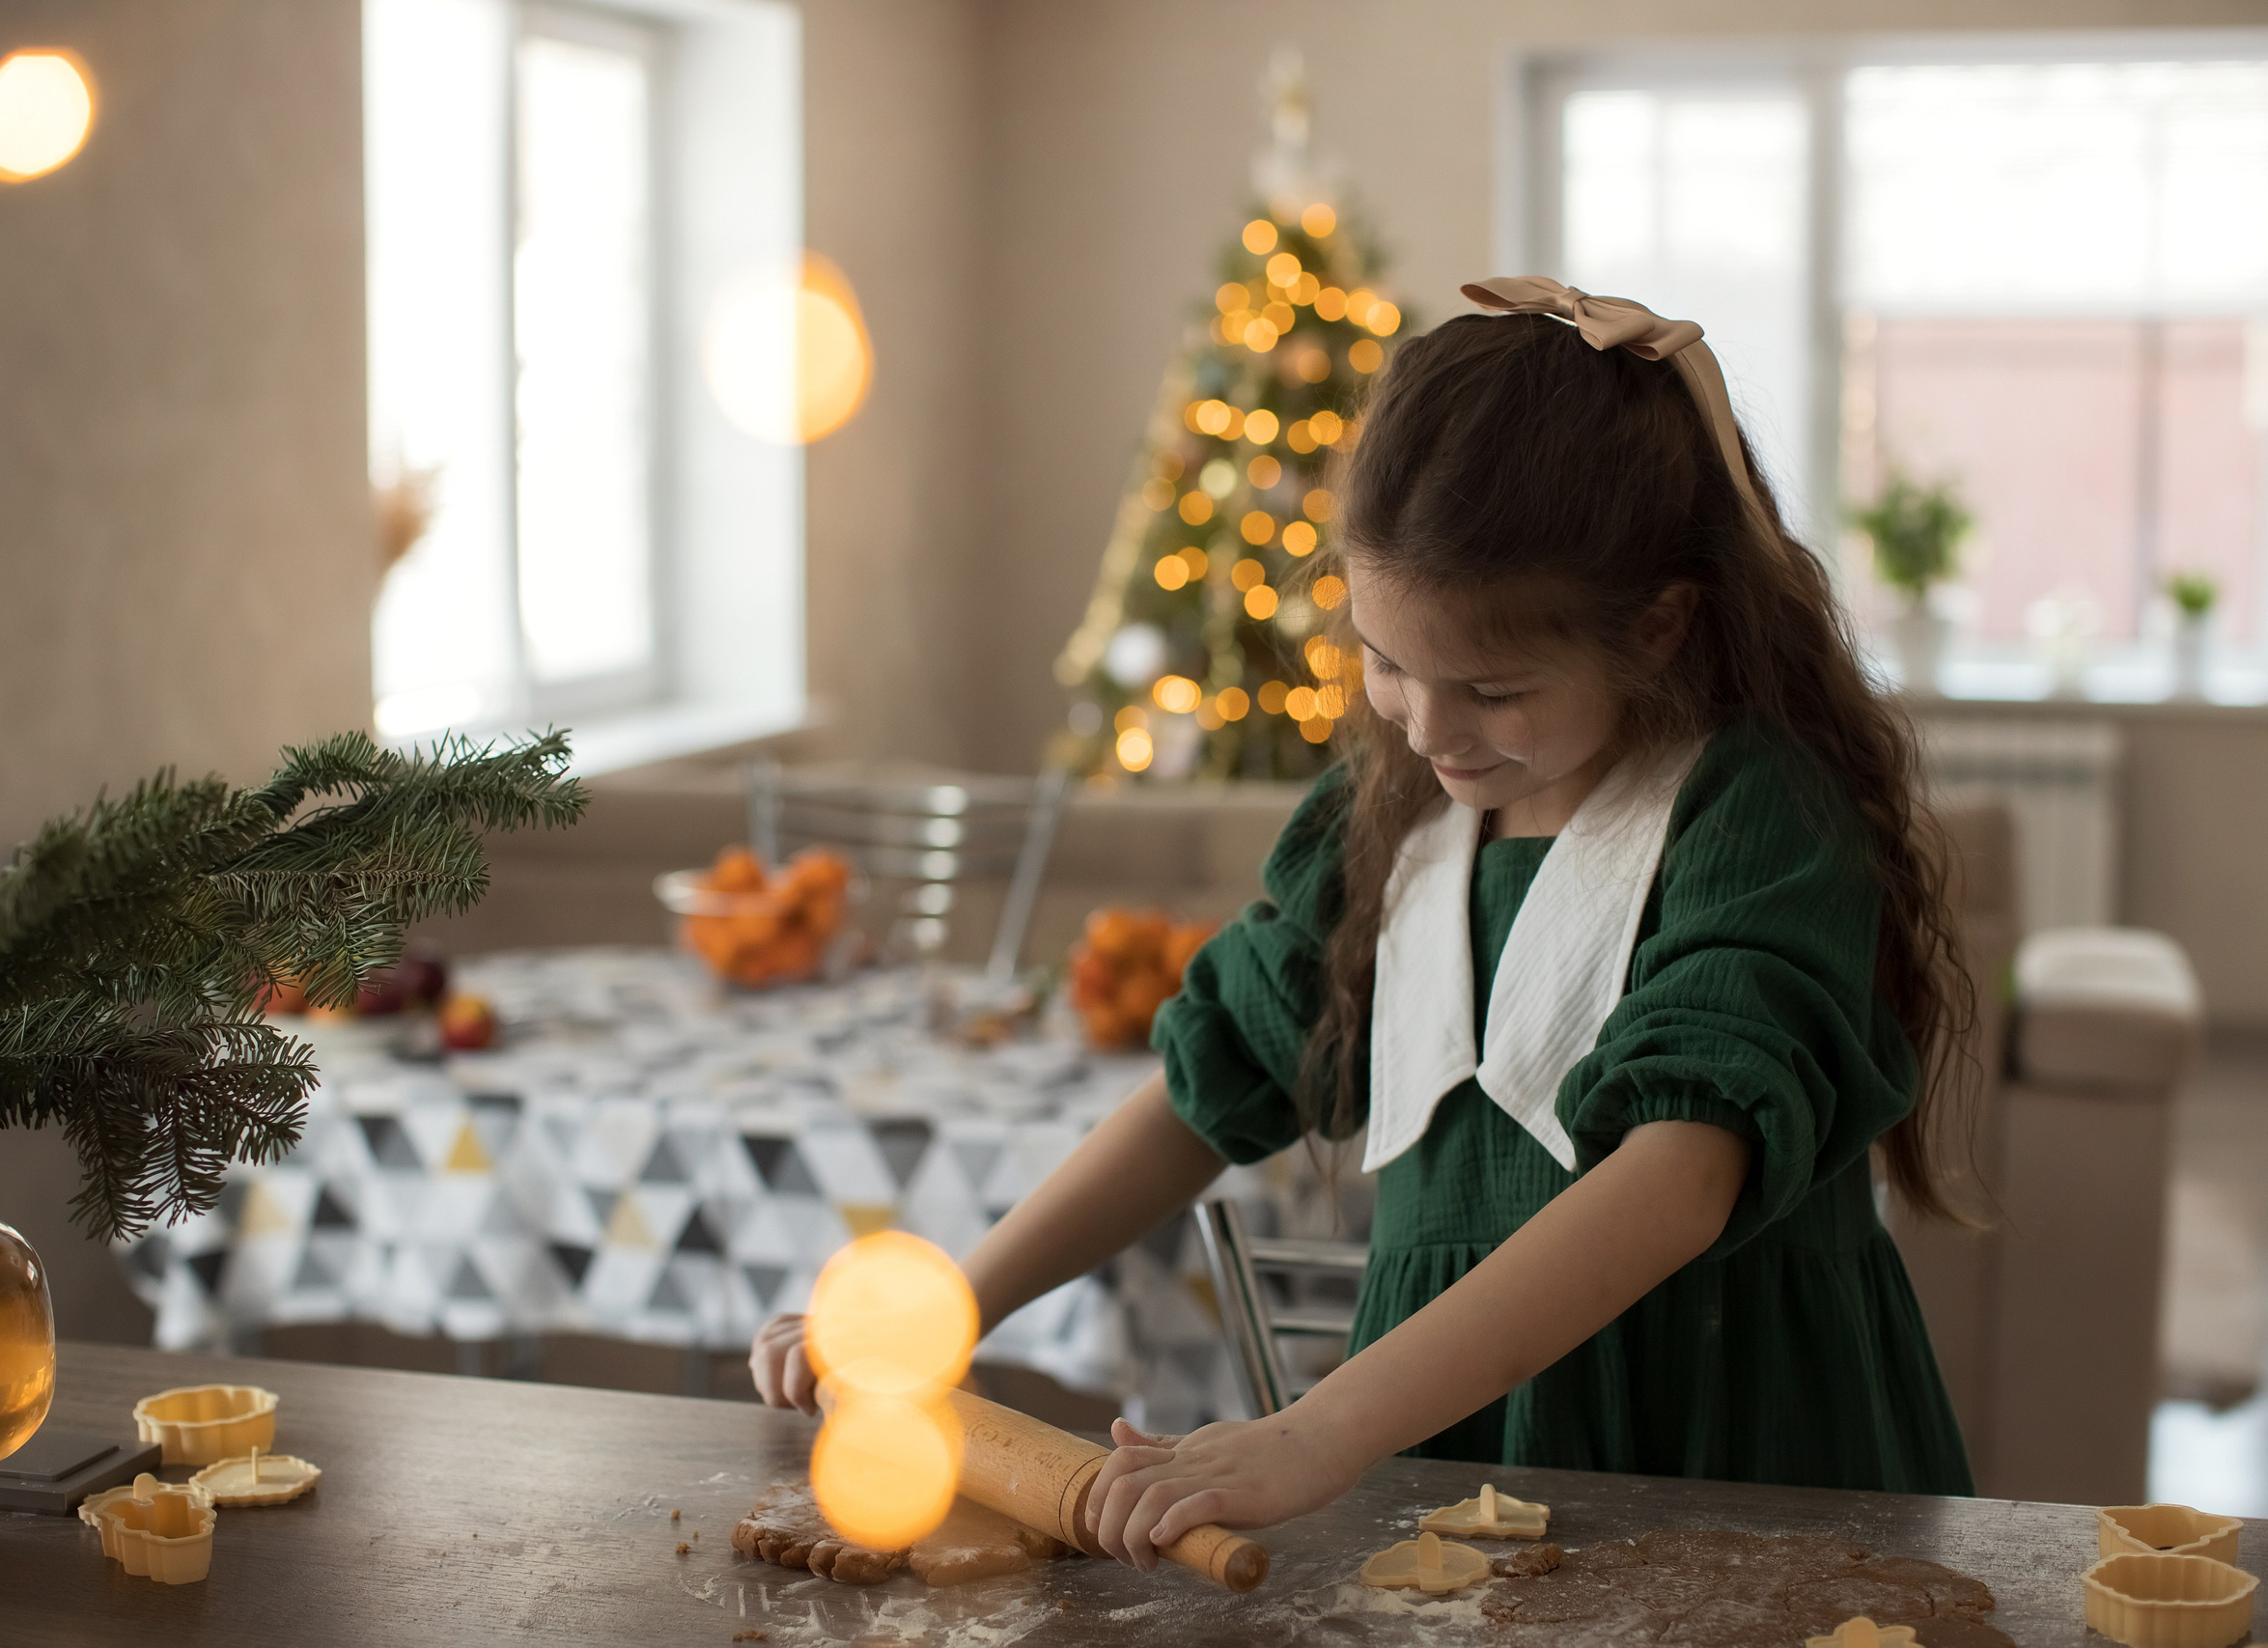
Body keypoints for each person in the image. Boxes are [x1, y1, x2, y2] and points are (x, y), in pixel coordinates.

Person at [751, 276, 1977, 1571]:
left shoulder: (1752, 816)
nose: (1429, 730)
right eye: (1388, 664)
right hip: (1437, 1442)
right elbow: (1201, 1094)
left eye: (1494, 689)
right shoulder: (1381, 822)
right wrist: (949, 1305)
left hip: (1731, 1436)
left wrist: (1316, 1433)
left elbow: (1679, 1181)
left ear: (1659, 625)